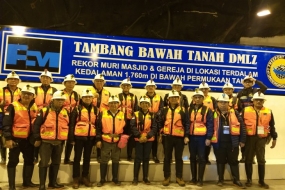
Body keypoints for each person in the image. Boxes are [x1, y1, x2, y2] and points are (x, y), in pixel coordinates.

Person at [3, 85, 39, 190]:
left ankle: (27, 183)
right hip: (15, 139)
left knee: (29, 160)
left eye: (29, 94)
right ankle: (12, 186)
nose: (26, 96)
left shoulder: (34, 107)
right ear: (21, 94)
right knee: (13, 161)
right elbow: (6, 123)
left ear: (33, 96)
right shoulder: (13, 106)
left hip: (29, 140)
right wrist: (8, 138)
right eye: (24, 93)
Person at [33, 91, 70, 190]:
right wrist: (37, 138)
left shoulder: (66, 112)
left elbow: (68, 126)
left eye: (62, 100)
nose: (60, 102)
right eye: (58, 100)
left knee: (56, 163)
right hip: (46, 143)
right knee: (44, 163)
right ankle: (42, 185)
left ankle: (52, 183)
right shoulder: (44, 111)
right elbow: (36, 125)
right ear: (53, 100)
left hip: (59, 143)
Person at [242, 92, 277, 189]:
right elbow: (241, 125)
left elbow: (272, 126)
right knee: (248, 159)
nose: (258, 101)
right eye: (256, 100)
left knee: (261, 160)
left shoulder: (269, 111)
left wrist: (274, 138)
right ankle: (249, 180)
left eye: (260, 100)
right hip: (249, 138)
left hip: (261, 138)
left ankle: (261, 181)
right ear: (252, 100)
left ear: (263, 101)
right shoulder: (245, 110)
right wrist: (241, 139)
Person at [211, 93, 246, 188]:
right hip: (219, 143)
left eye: (225, 102)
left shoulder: (235, 112)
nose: (223, 104)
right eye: (221, 102)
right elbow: (210, 127)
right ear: (217, 103)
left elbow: (242, 126)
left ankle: (236, 180)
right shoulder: (213, 113)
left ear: (228, 104)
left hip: (232, 142)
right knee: (220, 161)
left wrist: (242, 140)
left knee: (234, 161)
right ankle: (220, 180)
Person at [69, 88, 99, 188]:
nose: (87, 99)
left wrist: (96, 139)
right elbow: (72, 124)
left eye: (89, 97)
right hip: (78, 137)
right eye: (85, 97)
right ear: (82, 98)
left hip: (90, 138)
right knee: (77, 158)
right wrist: (71, 138)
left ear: (92, 99)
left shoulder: (96, 109)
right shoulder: (77, 108)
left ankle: (85, 177)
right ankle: (76, 178)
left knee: (87, 158)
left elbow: (97, 125)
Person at [160, 90, 189, 187]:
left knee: (179, 158)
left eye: (176, 97)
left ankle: (179, 177)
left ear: (178, 99)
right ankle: (166, 177)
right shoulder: (164, 110)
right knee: (167, 158)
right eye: (172, 97)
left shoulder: (183, 110)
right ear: (168, 99)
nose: (174, 99)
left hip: (179, 138)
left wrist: (186, 136)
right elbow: (160, 123)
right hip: (167, 137)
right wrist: (160, 134)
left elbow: (187, 124)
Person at [96, 95, 126, 187]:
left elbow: (126, 128)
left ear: (118, 104)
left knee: (116, 160)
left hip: (117, 141)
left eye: (115, 103)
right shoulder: (102, 113)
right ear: (108, 104)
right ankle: (102, 179)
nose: (113, 105)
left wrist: (123, 138)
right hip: (105, 140)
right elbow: (98, 128)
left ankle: (115, 179)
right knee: (104, 160)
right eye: (111, 103)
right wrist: (98, 140)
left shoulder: (122, 114)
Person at [237, 73, 267, 163]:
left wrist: (256, 80)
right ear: (243, 83)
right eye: (246, 82)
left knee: (253, 139)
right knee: (243, 138)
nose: (248, 83)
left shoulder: (255, 91)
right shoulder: (240, 93)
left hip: (254, 118)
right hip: (243, 118)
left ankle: (252, 157)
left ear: (252, 83)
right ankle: (243, 157)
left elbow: (264, 88)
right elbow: (238, 106)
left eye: (250, 82)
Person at [188, 89, 214, 186]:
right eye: (196, 97)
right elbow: (187, 123)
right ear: (193, 99)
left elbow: (210, 124)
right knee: (192, 158)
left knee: (202, 158)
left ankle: (200, 180)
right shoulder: (189, 109)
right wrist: (186, 136)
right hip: (192, 137)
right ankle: (193, 179)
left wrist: (209, 137)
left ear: (203, 98)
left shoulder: (207, 110)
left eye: (199, 97)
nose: (197, 99)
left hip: (202, 138)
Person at [131, 96, 157, 185]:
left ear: (149, 105)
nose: (145, 105)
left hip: (148, 140)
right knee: (138, 158)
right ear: (140, 104)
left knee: (146, 158)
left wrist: (147, 137)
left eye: (147, 103)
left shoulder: (153, 115)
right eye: (143, 103)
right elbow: (133, 126)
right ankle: (135, 178)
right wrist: (139, 136)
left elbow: (154, 128)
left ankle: (145, 178)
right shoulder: (135, 114)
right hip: (138, 139)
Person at [33, 69, 57, 165]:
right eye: (43, 77)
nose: (45, 79)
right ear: (40, 79)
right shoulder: (34, 89)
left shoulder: (55, 90)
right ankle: (35, 156)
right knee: (36, 136)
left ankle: (46, 156)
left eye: (47, 78)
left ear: (51, 79)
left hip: (49, 116)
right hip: (36, 115)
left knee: (46, 136)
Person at [190, 82, 216, 165]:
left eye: (205, 89)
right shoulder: (192, 105)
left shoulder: (212, 99)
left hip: (206, 127)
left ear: (208, 89)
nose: (204, 90)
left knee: (206, 146)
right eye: (202, 89)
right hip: (193, 133)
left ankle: (206, 157)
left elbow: (215, 111)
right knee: (195, 154)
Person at [0, 71, 22, 165]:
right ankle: (3, 157)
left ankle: (14, 156)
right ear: (7, 80)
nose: (13, 81)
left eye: (15, 79)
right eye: (11, 79)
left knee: (15, 134)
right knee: (3, 136)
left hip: (18, 115)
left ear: (18, 81)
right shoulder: (1, 90)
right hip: (3, 115)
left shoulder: (21, 91)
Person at [90, 73, 110, 161]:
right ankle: (88, 154)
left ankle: (99, 155)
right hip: (90, 116)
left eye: (101, 81)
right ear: (94, 82)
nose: (99, 83)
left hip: (103, 118)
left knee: (100, 136)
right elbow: (83, 103)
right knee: (90, 135)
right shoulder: (88, 91)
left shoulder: (107, 93)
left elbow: (110, 106)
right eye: (97, 81)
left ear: (103, 83)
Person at [143, 79, 163, 163]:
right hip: (146, 120)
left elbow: (161, 109)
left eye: (152, 86)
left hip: (156, 120)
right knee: (144, 135)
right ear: (146, 88)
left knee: (154, 139)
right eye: (149, 86)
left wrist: (156, 115)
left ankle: (154, 155)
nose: (151, 88)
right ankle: (144, 155)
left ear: (155, 88)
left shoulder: (159, 97)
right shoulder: (143, 97)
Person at [61, 74, 80, 165]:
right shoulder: (60, 93)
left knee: (70, 139)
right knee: (60, 138)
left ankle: (67, 158)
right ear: (65, 83)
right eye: (68, 82)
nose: (70, 84)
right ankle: (57, 158)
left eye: (72, 82)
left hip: (73, 119)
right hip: (62, 118)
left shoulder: (76, 94)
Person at [118, 78, 138, 161]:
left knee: (130, 138)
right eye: (124, 85)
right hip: (120, 120)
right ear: (121, 86)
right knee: (119, 137)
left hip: (130, 121)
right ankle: (117, 155)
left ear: (130, 87)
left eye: (128, 85)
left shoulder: (134, 96)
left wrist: (135, 120)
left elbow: (136, 109)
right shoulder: (118, 96)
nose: (126, 87)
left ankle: (129, 155)